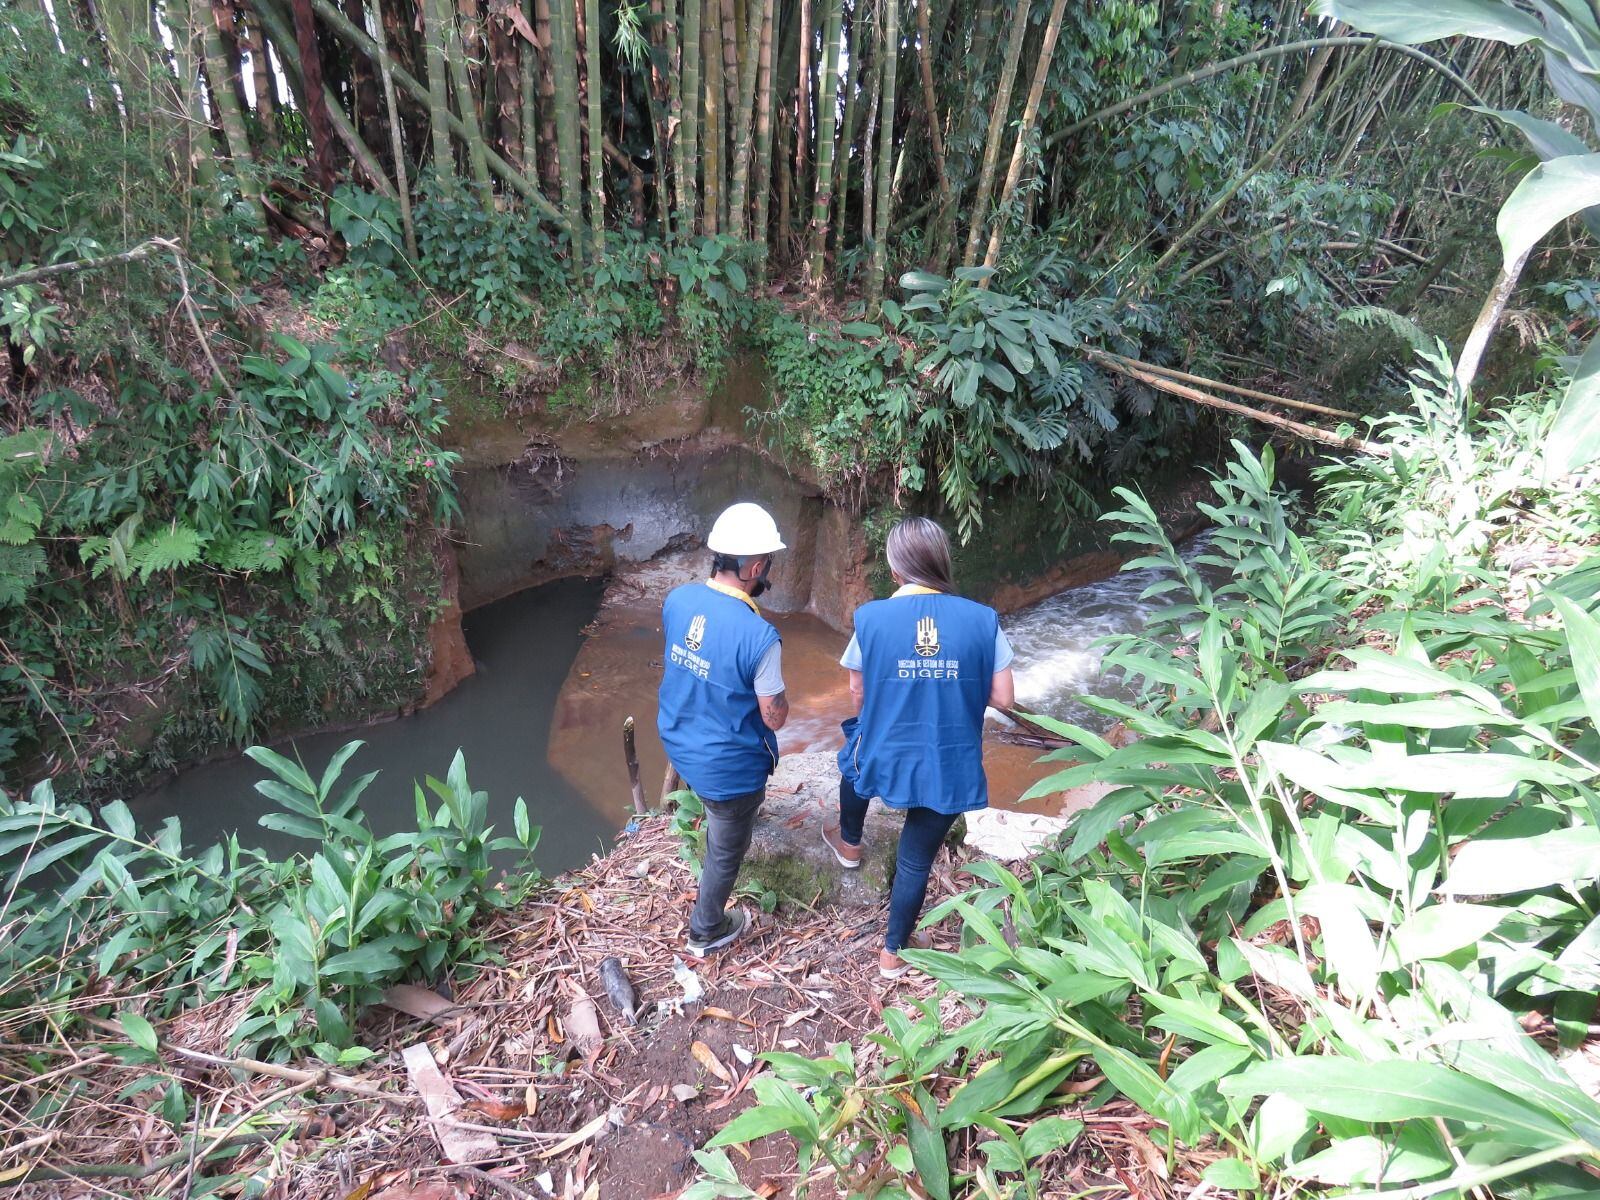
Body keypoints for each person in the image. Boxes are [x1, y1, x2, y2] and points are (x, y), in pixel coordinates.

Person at [822, 517, 1015, 979]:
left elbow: (856, 690)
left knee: (855, 755)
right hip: (949, 755)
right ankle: (893, 953)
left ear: (895, 570)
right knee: (914, 857)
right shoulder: (982, 619)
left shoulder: (870, 618)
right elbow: (1004, 699)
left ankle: (849, 844)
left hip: (887, 744)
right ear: (942, 563)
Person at [658, 502, 790, 956]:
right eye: (768, 561)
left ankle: (720, 816)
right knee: (724, 853)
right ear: (754, 567)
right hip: (726, 769)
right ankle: (706, 929)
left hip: (679, 738)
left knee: (723, 811)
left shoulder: (677, 600)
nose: (768, 568)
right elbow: (774, 717)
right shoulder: (760, 636)